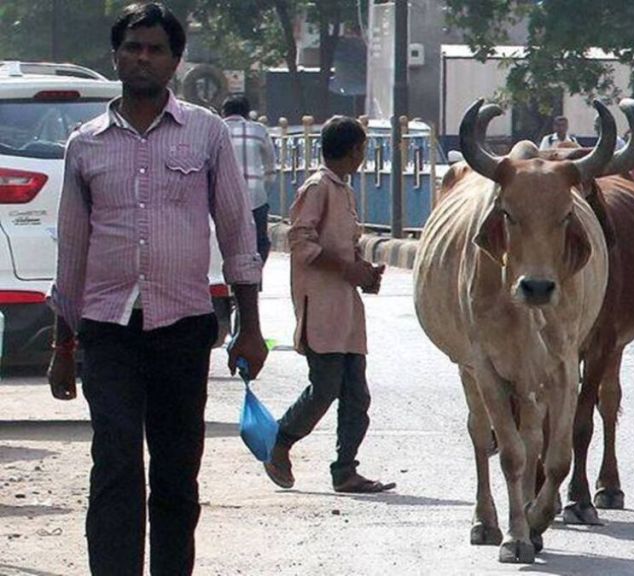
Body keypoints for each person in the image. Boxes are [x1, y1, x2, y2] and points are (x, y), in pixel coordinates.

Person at [46, 3, 268, 574]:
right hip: (108, 332)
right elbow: (71, 252)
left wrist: (250, 326)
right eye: (132, 47)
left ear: (175, 61)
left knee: (176, 476)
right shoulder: (85, 144)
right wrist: (62, 348)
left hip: (183, 329)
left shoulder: (206, 133)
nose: (142, 57)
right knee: (115, 465)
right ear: (116, 56)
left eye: (155, 49)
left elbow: (238, 231)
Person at [263, 116, 395, 494]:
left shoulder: (344, 191)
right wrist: (347, 270)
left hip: (345, 308)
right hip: (320, 306)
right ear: (354, 150)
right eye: (362, 149)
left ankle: (345, 469)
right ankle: (281, 441)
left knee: (357, 394)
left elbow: (344, 246)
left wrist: (364, 272)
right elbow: (302, 243)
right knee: (324, 388)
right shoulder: (318, 188)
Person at [222, 94, 276, 264]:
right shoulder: (259, 130)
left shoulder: (216, 128)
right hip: (256, 198)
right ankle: (255, 277)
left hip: (223, 199)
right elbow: (270, 168)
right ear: (247, 113)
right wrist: (262, 190)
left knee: (224, 241)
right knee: (260, 241)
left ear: (224, 112)